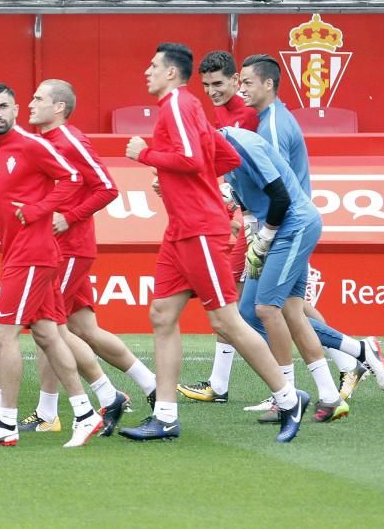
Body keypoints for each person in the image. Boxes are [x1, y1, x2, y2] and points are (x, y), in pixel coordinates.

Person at [120, 43, 308, 443]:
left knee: (226, 320)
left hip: (199, 227)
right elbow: (223, 158)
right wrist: (181, 178)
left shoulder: (176, 105)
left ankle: (289, 398)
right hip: (182, 228)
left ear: (171, 73)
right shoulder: (189, 107)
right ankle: (166, 416)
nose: (146, 72)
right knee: (161, 314)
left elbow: (191, 159)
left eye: (153, 66)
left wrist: (148, 155)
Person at [238, 55, 384, 413]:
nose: (241, 89)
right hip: (290, 226)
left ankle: (292, 390)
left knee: (259, 309)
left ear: (269, 84)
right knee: (283, 309)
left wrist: (262, 231)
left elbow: (277, 188)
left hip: (288, 227)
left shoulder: (271, 126)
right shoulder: (268, 121)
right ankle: (349, 361)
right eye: (239, 83)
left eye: (247, 83)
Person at [0, 84, 103, 447]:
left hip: (34, 253)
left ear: (15, 108)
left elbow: (73, 178)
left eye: (4, 106)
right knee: (47, 335)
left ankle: (5, 423)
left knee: (2, 334)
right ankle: (86, 414)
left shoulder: (32, 144)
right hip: (14, 251)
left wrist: (41, 210)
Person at [26, 79, 156, 433]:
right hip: (62, 246)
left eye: (38, 98)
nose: (30, 103)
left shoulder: (69, 140)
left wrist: (68, 218)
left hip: (69, 248)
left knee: (47, 326)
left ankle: (50, 412)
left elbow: (108, 187)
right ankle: (152, 386)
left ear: (59, 108)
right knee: (85, 329)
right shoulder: (45, 142)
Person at [219, 127, 349, 422]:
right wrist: (256, 239)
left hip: (294, 227)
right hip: (283, 228)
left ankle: (287, 397)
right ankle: (330, 396)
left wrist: (263, 240)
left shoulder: (245, 143)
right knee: (278, 310)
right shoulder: (224, 158)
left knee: (266, 308)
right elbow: (249, 207)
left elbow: (280, 198)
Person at [178, 50, 258, 403]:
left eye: (219, 84)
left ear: (236, 81)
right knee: (238, 300)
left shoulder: (252, 114)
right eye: (207, 85)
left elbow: (261, 166)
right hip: (245, 214)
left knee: (279, 305)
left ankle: (353, 354)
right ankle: (219, 385)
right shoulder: (222, 113)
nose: (212, 91)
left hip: (264, 218)